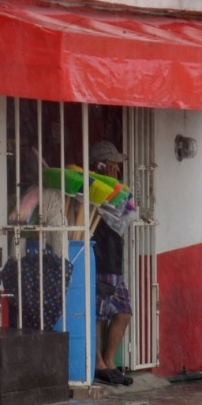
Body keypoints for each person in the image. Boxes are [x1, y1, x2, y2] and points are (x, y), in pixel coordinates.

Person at [90, 140, 134, 386]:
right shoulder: (94, 190)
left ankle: (109, 361)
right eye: (114, 165)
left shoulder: (116, 192)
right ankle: (98, 364)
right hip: (101, 259)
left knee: (123, 313)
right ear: (103, 166)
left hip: (114, 262)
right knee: (98, 315)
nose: (117, 170)